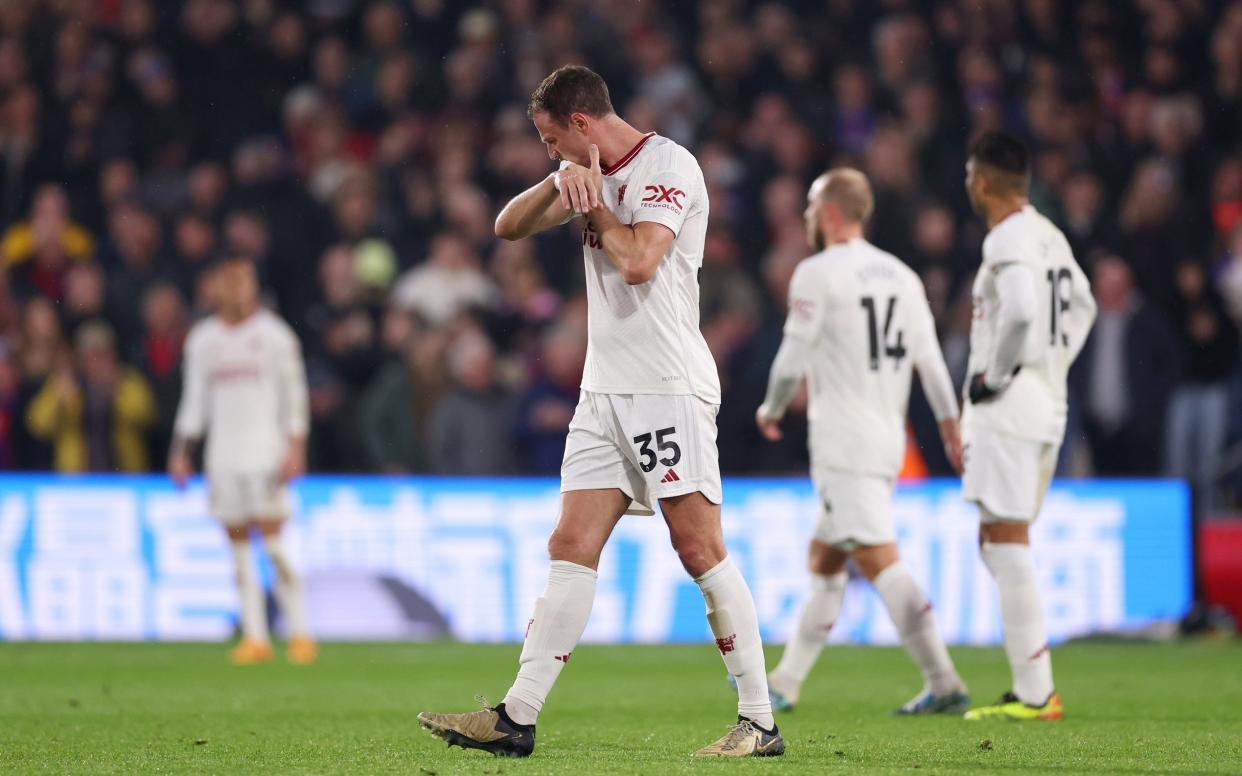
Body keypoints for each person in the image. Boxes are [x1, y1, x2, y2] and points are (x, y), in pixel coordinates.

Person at [416, 65, 783, 759]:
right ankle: (515, 716)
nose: (550, 150)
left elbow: (641, 260)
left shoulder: (669, 165)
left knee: (699, 546)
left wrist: (592, 204)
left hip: (666, 385)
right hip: (603, 392)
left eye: (553, 140)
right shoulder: (578, 174)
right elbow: (505, 226)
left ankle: (760, 720)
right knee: (570, 544)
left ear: (581, 123)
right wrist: (562, 182)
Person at [755, 168, 969, 716]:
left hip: (843, 441)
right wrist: (950, 425)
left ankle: (944, 682)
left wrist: (771, 407)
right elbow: (931, 363)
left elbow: (791, 357)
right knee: (825, 559)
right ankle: (785, 681)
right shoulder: (902, 275)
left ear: (828, 212)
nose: (805, 215)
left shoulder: (817, 272)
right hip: (886, 438)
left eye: (809, 205)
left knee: (879, 560)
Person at [959, 131, 1096, 721]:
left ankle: (1038, 693)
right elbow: (1085, 303)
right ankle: (1031, 686)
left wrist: (998, 372)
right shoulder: (1049, 234)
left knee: (1006, 539)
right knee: (998, 538)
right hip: (1046, 400)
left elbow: (1018, 309)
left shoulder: (1008, 236)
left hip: (1011, 405)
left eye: (970, 173)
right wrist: (1053, 363)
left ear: (983, 181)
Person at [168, 254, 316, 666]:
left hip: (266, 454)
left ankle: (300, 631)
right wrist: (181, 452)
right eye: (228, 280)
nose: (235, 289)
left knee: (273, 546)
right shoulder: (202, 339)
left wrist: (295, 447)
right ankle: (255, 636)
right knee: (238, 552)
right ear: (215, 286)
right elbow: (194, 401)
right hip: (223, 458)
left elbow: (295, 396)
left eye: (243, 281)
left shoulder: (274, 335)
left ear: (253, 286)